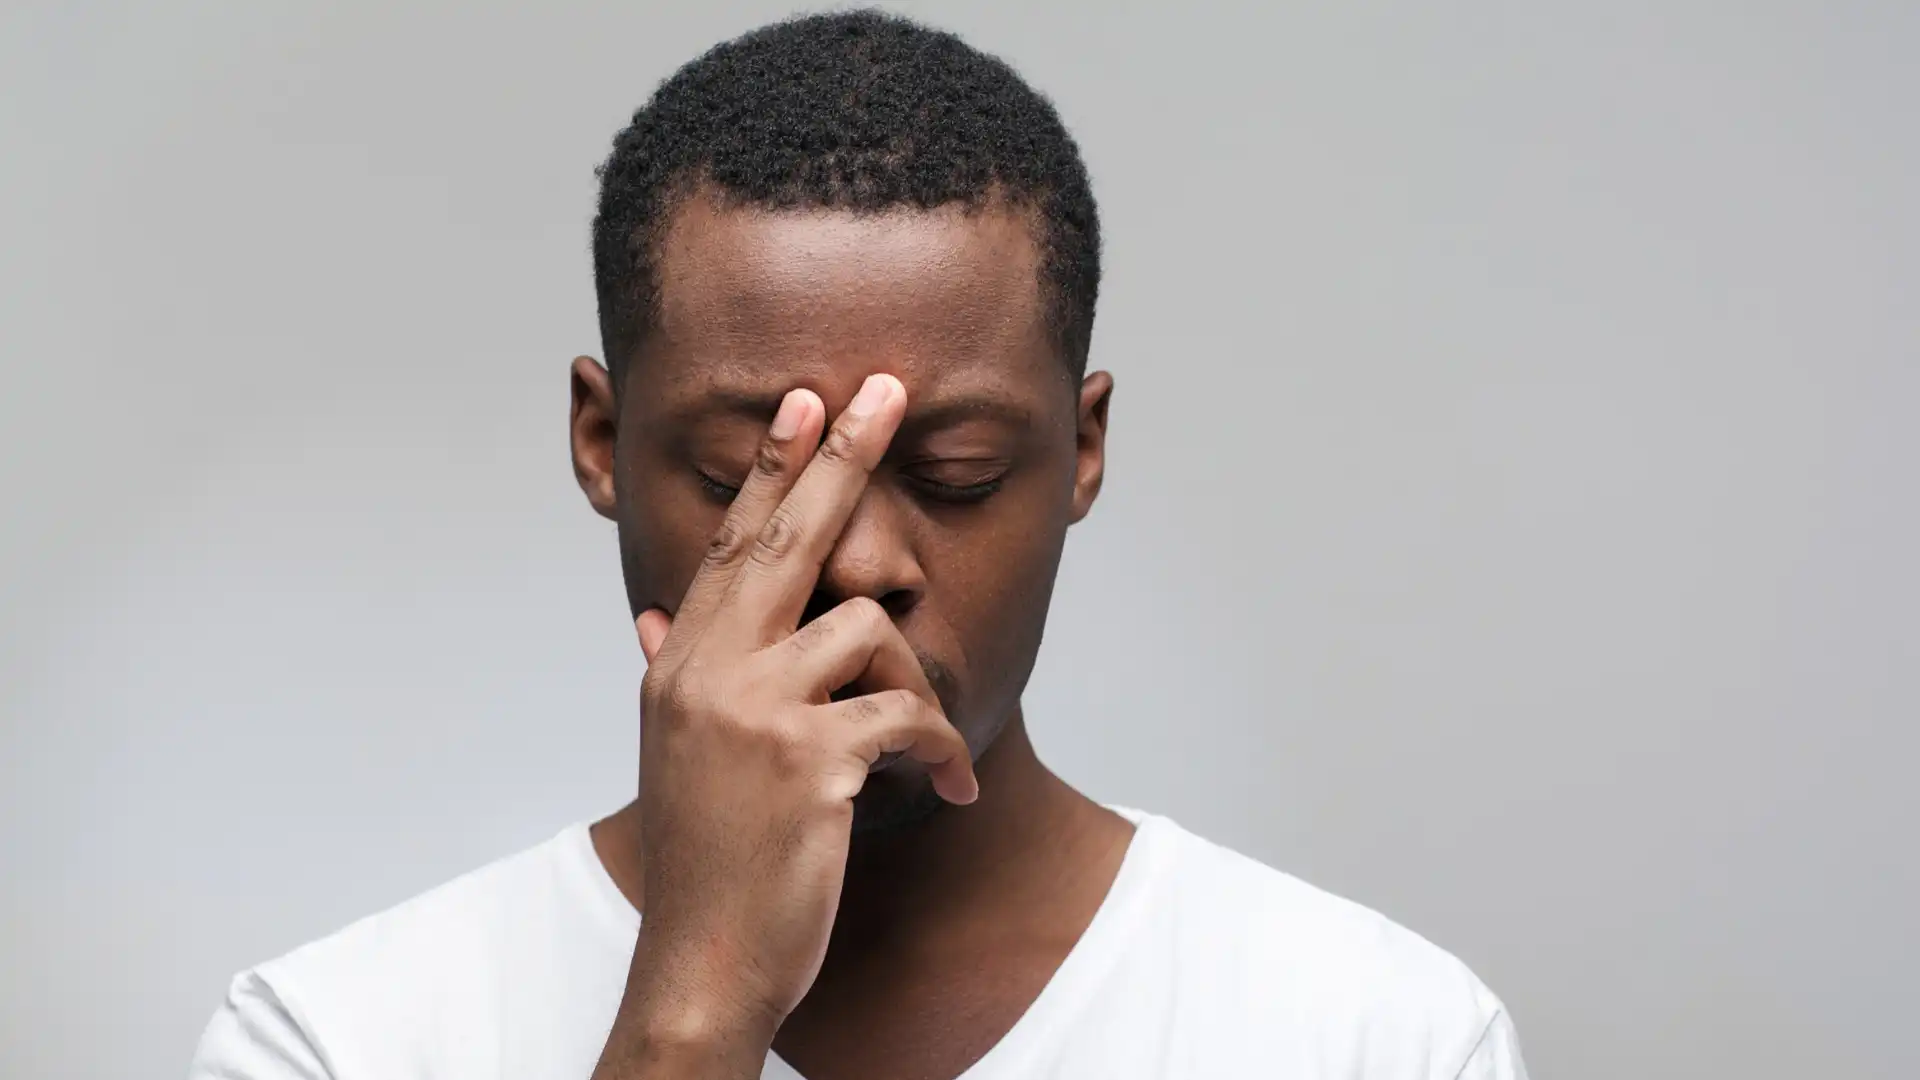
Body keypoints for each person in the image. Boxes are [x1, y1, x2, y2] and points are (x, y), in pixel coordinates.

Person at [188, 10, 1527, 1080]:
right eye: (744, 474)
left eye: (956, 471)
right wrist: (692, 1017)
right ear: (601, 443)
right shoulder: (333, 1042)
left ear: (1084, 452)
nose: (854, 558)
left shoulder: (1380, 1038)